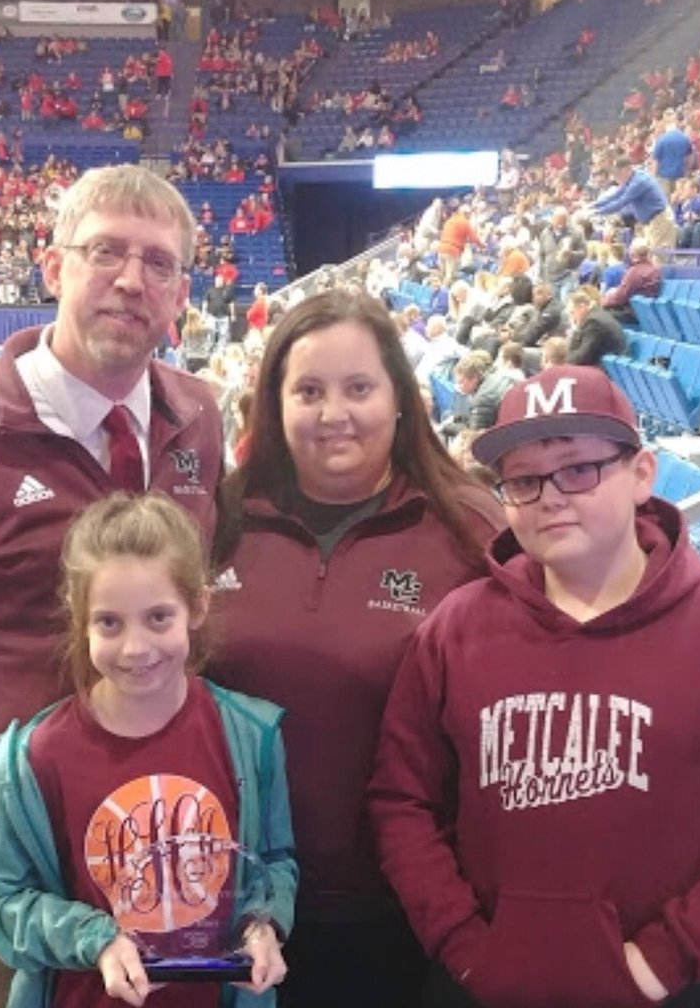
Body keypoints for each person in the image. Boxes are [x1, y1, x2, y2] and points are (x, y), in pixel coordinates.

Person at [0, 165, 224, 1008]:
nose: (130, 280)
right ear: (54, 267)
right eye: (105, 252)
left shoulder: (199, 417)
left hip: (167, 820)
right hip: (12, 841)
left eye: (157, 263)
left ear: (180, 294)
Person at [370, 364, 700, 1008]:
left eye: (578, 469)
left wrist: (664, 961)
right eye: (523, 480)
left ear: (642, 474)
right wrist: (465, 947)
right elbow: (403, 800)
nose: (550, 497)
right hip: (484, 984)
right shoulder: (456, 627)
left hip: (659, 989)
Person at [209, 291, 505, 1008]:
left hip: (400, 911)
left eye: (359, 388)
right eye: (308, 391)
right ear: (273, 403)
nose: (333, 413)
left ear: (400, 399)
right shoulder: (216, 520)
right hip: (231, 905)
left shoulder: (469, 528)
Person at [0, 491, 296, 1008]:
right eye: (109, 622)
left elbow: (273, 862)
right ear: (80, 618)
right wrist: (93, 938)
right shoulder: (28, 760)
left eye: (158, 617)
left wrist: (263, 924)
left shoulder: (253, 737)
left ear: (198, 606)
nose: (135, 648)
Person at [591, 154, 677, 251]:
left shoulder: (639, 181)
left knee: (659, 255)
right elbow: (616, 194)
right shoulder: (631, 178)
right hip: (649, 222)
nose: (617, 177)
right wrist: (594, 206)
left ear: (627, 169)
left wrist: (597, 212)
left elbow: (621, 202)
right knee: (648, 253)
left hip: (659, 220)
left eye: (618, 173)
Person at [565, 288, 628, 367]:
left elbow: (582, 357)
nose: (572, 317)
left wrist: (561, 362)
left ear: (582, 307)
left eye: (572, 312)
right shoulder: (595, 314)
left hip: (609, 367)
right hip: (606, 363)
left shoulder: (594, 322)